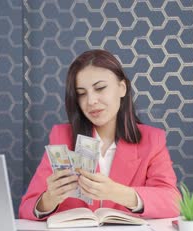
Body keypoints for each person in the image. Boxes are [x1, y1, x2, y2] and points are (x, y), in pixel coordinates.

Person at [19, 49, 180, 220]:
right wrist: (49, 199)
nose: (91, 101)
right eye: (81, 93)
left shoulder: (152, 140)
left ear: (122, 88)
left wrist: (118, 193)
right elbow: (26, 208)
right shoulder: (61, 136)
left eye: (100, 88)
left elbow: (173, 201)